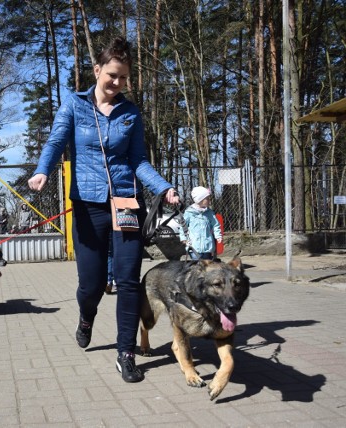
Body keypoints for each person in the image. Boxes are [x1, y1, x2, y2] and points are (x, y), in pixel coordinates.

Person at [28, 36, 179, 383]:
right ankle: (86, 317)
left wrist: (163, 187)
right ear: (97, 70)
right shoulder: (74, 105)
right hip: (87, 205)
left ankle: (125, 352)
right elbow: (55, 142)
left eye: (124, 78)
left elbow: (139, 160)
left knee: (127, 281)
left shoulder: (130, 112)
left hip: (126, 203)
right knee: (92, 285)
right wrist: (42, 171)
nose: (117, 83)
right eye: (112, 75)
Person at [179, 186, 222, 260]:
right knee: (197, 265)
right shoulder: (189, 213)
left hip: (207, 246)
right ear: (200, 200)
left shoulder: (210, 213)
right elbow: (183, 226)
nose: (209, 200)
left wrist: (218, 235)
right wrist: (183, 238)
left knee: (207, 265)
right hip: (194, 246)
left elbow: (215, 225)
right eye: (207, 199)